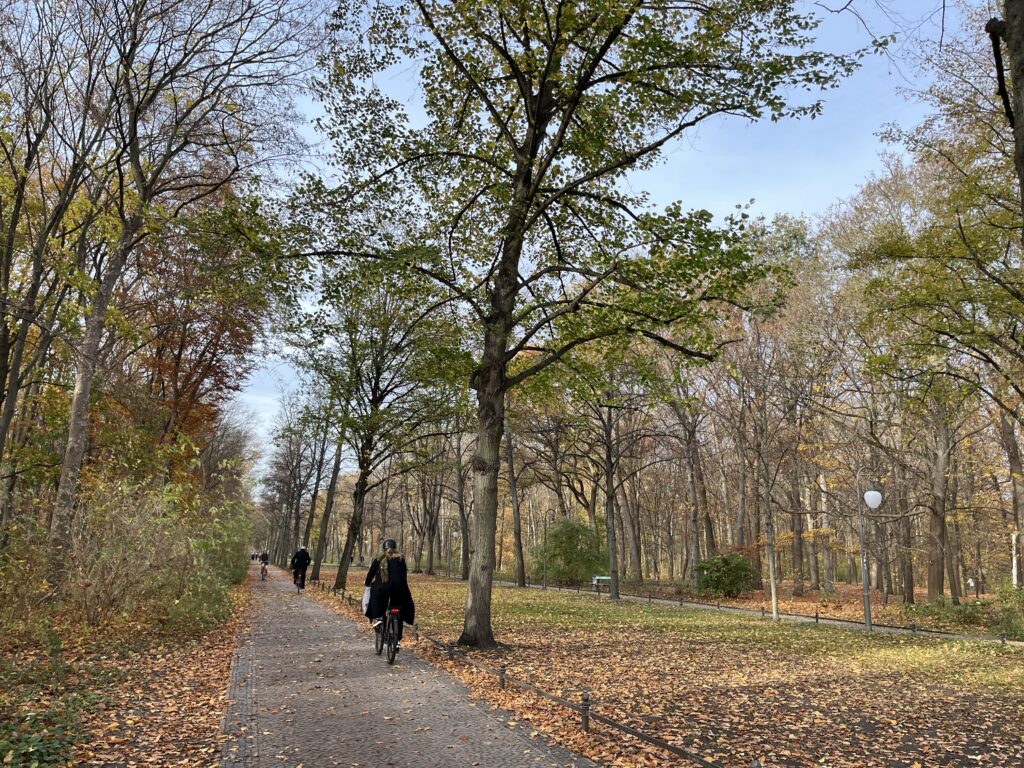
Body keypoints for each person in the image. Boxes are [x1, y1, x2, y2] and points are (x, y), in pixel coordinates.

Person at [364, 539, 415, 645]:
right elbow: (404, 575)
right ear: (395, 548)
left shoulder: (379, 559)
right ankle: (397, 640)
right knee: (398, 609)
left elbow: (371, 573)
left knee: (376, 593)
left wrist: (367, 583)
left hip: (383, 587)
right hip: (400, 588)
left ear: (384, 549)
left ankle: (378, 616)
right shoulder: (401, 559)